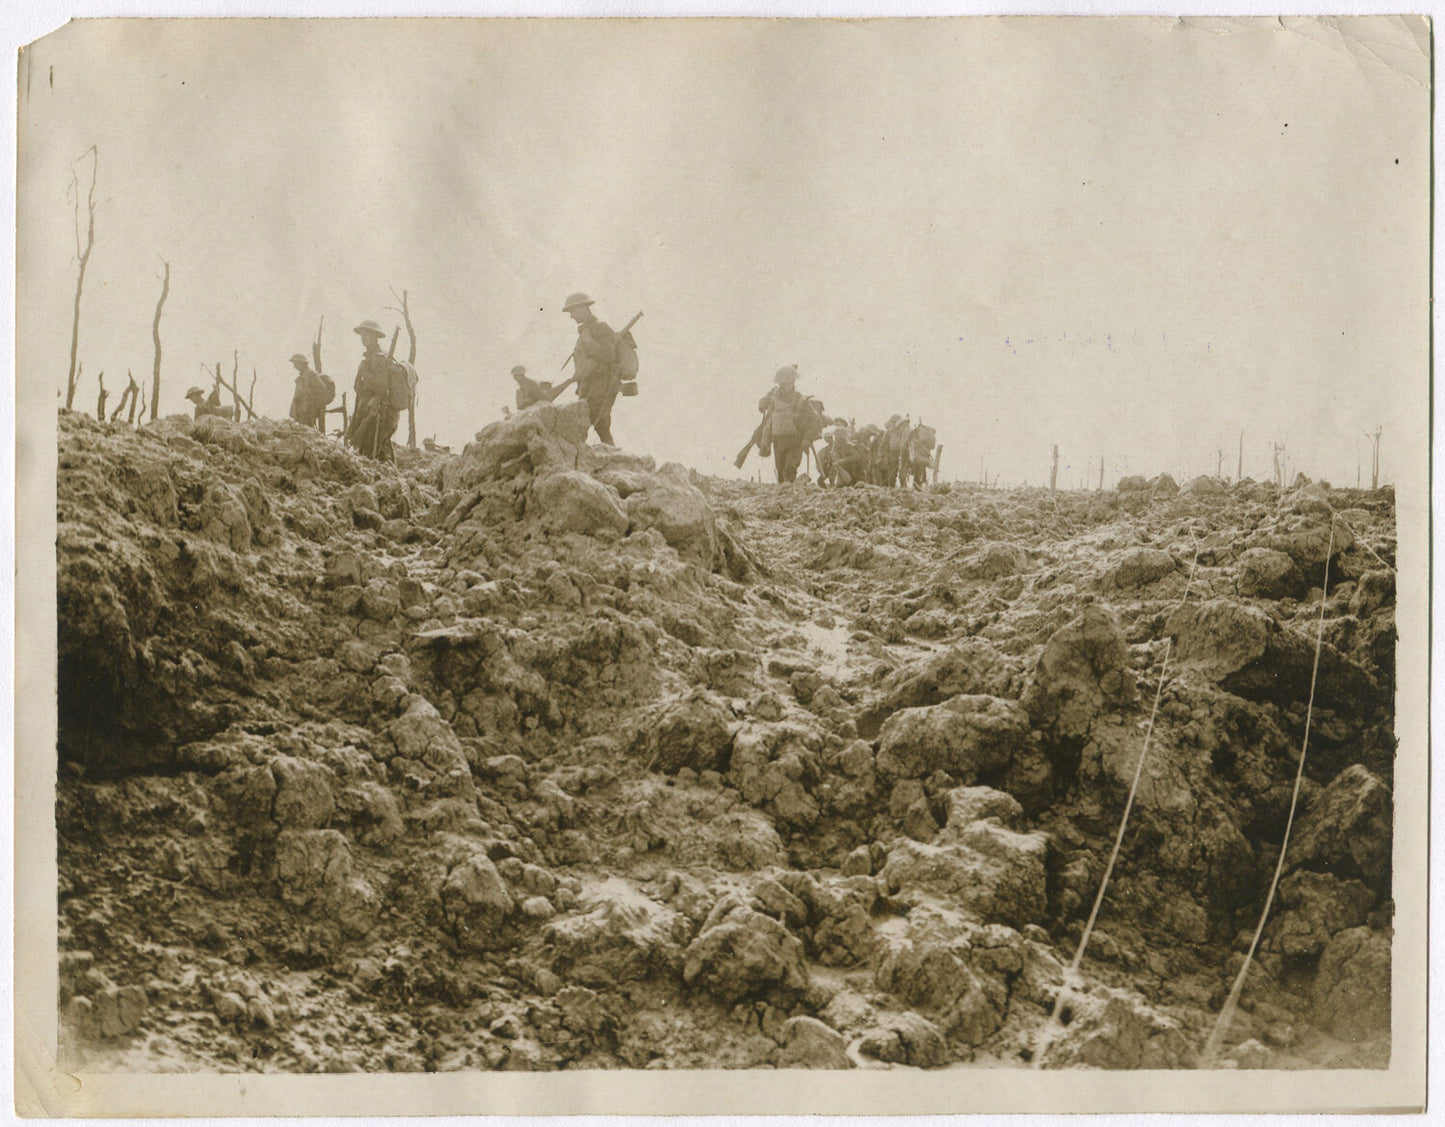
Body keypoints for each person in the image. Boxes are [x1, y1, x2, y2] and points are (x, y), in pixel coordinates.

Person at [563, 292, 621, 445]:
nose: (571, 316)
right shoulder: (586, 331)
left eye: (573, 311)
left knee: (586, 425)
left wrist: (588, 340)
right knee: (599, 426)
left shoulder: (600, 328)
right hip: (589, 388)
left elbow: (608, 355)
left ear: (583, 308)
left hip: (600, 387)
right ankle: (611, 459)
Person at [347, 319, 401, 461]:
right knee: (371, 449)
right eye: (362, 335)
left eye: (367, 335)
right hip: (367, 408)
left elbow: (381, 387)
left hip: (376, 411)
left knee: (370, 449)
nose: (363, 338)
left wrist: (365, 372)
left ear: (375, 337)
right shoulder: (371, 356)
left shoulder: (377, 358)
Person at [758, 366, 810, 484]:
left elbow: (814, 421)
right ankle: (784, 498)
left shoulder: (800, 400)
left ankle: (791, 496)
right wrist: (762, 404)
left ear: (793, 383)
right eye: (781, 383)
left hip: (795, 442)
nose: (783, 386)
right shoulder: (773, 396)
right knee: (781, 474)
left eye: (786, 383)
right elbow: (762, 403)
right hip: (779, 441)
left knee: (789, 470)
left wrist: (808, 439)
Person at [288, 353, 327, 431]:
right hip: (300, 411)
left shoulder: (311, 375)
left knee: (307, 432)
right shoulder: (301, 377)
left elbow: (322, 390)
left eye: (296, 363)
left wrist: (316, 409)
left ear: (302, 364)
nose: (295, 366)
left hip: (308, 412)